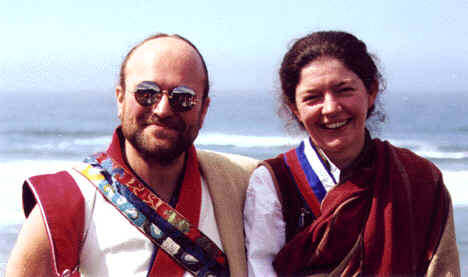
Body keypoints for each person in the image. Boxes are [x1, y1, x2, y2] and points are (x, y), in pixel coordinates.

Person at [6, 33, 258, 277]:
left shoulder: (242, 185)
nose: (162, 109)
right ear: (120, 99)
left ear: (203, 110)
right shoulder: (69, 198)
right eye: (147, 93)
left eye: (183, 98)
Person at [244, 31, 460, 276]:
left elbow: (442, 269)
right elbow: (259, 269)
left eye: (344, 90)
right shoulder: (273, 181)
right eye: (312, 97)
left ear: (371, 92)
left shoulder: (418, 178)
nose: (331, 108)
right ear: (294, 108)